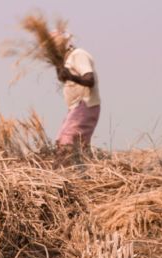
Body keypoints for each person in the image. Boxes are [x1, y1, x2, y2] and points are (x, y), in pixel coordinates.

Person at [52, 31, 101, 166]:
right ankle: (86, 170)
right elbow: (63, 77)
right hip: (76, 107)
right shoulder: (67, 59)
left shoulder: (78, 55)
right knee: (75, 144)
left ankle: (64, 173)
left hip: (85, 104)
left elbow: (89, 79)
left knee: (66, 141)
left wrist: (71, 77)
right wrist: (56, 63)